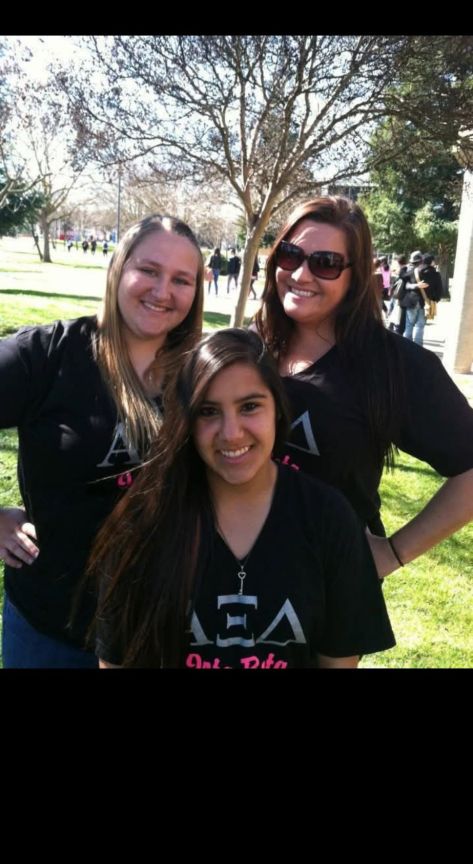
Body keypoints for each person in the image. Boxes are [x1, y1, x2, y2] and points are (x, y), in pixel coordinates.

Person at [91, 329, 395, 669]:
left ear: (278, 409)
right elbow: (116, 661)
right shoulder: (145, 520)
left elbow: (338, 662)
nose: (232, 433)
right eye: (208, 411)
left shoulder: (328, 517)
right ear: (186, 422)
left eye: (249, 406)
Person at [0, 214, 204, 668]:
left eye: (181, 279)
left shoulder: (202, 374)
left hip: (162, 631)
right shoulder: (45, 356)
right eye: (148, 270)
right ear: (117, 267)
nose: (163, 291)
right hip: (50, 633)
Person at [254, 196, 473, 580]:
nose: (301, 275)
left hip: (327, 589)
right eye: (291, 255)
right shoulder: (252, 347)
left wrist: (393, 552)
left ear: (355, 276)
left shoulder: (392, 364)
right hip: (233, 575)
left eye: (325, 263)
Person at [420, 253, 443, 321]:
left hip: (416, 300)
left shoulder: (418, 272)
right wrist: (436, 299)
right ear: (432, 262)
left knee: (410, 324)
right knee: (421, 323)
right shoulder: (435, 274)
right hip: (429, 301)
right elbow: (439, 289)